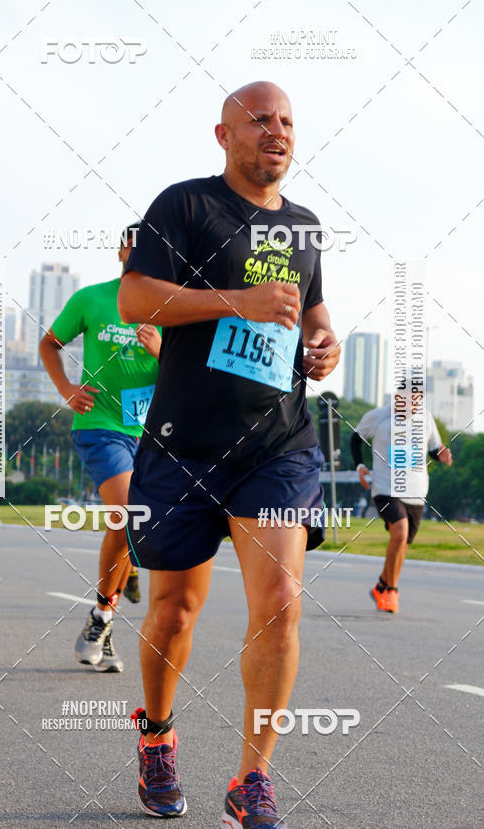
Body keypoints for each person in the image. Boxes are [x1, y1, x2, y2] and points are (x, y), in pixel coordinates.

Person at [119, 81, 340, 827]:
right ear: (224, 135)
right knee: (176, 610)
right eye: (259, 120)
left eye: (286, 120)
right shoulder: (184, 205)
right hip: (183, 445)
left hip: (277, 445)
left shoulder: (305, 228)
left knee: (279, 603)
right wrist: (232, 300)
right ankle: (156, 733)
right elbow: (136, 300)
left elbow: (312, 314)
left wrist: (322, 344)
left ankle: (252, 782)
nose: (276, 130)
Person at [39, 225, 161, 673]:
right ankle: (104, 617)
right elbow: (49, 344)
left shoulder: (172, 307)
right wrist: (67, 388)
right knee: (129, 515)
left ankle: (102, 620)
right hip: (100, 426)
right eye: (136, 245)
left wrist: (164, 350)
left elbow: (190, 377)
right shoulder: (91, 299)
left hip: (151, 435)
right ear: (121, 251)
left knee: (134, 527)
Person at [351, 390, 452, 614]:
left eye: (417, 401)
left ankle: (381, 585)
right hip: (385, 487)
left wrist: (441, 454)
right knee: (400, 532)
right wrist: (360, 466)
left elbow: (433, 449)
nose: (413, 406)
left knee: (402, 544)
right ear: (397, 397)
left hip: (416, 490)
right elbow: (355, 439)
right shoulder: (377, 417)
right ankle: (391, 591)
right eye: (409, 400)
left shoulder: (425, 418)